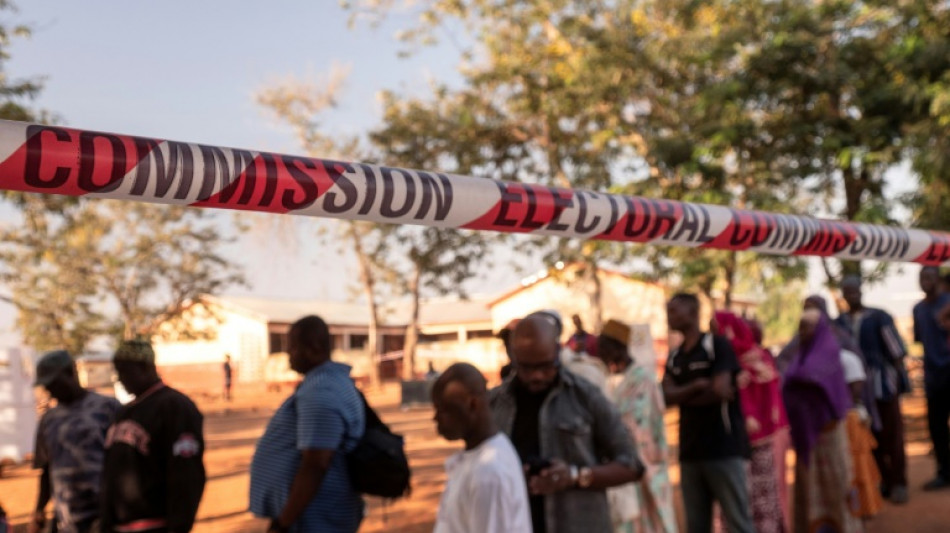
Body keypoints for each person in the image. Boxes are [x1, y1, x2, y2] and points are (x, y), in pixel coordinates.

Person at [489, 311, 644, 533]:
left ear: (558, 352)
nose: (537, 376)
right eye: (527, 368)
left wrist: (574, 476)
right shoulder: (494, 404)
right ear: (515, 357)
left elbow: (632, 466)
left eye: (545, 366)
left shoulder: (586, 396)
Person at [250, 315, 365, 533]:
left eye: (293, 347)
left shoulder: (321, 391)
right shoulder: (326, 382)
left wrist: (283, 522)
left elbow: (316, 463)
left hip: (316, 517)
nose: (288, 355)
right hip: (315, 514)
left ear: (314, 347)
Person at [662, 294, 753, 533]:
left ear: (693, 313)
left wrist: (683, 395)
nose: (668, 315)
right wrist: (695, 386)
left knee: (738, 522)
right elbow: (665, 397)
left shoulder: (717, 346)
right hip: (690, 452)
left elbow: (720, 390)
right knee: (696, 525)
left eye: (674, 310)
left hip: (723, 449)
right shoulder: (674, 356)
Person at [100, 340, 206, 533]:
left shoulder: (174, 407)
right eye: (118, 371)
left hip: (154, 525)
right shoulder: (125, 411)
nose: (120, 379)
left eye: (125, 371)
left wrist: (178, 526)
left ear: (146, 368)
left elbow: (186, 475)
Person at [783, 310, 862, 533]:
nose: (803, 331)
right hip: (804, 436)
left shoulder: (829, 354)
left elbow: (821, 385)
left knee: (835, 485)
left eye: (807, 326)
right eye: (801, 326)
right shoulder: (798, 357)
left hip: (829, 434)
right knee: (809, 489)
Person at [711, 310, 789, 533]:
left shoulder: (730, 363)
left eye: (715, 329)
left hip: (736, 443)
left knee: (741, 497)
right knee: (760, 495)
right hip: (761, 439)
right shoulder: (760, 358)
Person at [431, 363, 532, 533]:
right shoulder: (480, 457)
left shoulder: (488, 472)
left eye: (444, 410)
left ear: (473, 405)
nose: (435, 418)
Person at [835, 275, 910, 504]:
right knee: (869, 437)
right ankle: (884, 482)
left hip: (883, 386)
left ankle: (899, 483)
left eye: (855, 290)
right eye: (847, 291)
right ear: (843, 294)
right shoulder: (840, 323)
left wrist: (900, 381)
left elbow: (897, 352)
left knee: (892, 434)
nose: (852, 294)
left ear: (861, 290)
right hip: (857, 391)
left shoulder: (879, 317)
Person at [598, 319, 677, 533]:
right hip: (630, 468)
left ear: (617, 348)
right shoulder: (621, 381)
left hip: (646, 468)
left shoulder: (642, 381)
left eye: (604, 347)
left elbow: (639, 429)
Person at [30, 350, 119, 533]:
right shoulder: (49, 420)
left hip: (107, 518)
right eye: (47, 386)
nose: (50, 390)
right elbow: (47, 470)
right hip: (67, 521)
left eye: (54, 383)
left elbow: (125, 463)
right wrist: (39, 511)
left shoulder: (108, 408)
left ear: (71, 373)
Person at [913, 266, 950, 490]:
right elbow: (920, 340)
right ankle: (944, 472)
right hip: (933, 377)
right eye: (921, 277)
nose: (925, 281)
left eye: (929, 277)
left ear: (937, 278)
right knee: (937, 428)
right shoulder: (918, 309)